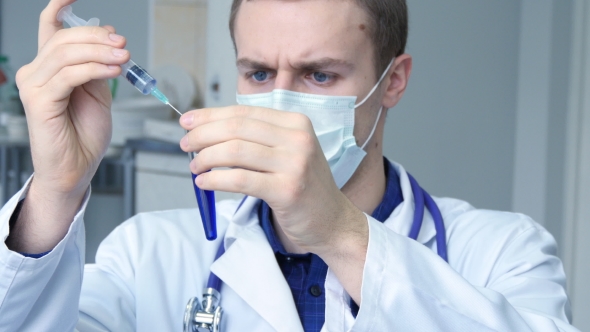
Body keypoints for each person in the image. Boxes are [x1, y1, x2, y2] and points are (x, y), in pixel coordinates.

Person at [0, 0, 579, 330]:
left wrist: (339, 233)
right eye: (258, 73)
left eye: (318, 75)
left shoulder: (503, 252)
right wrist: (57, 188)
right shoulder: (149, 255)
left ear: (393, 81)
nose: (280, 101)